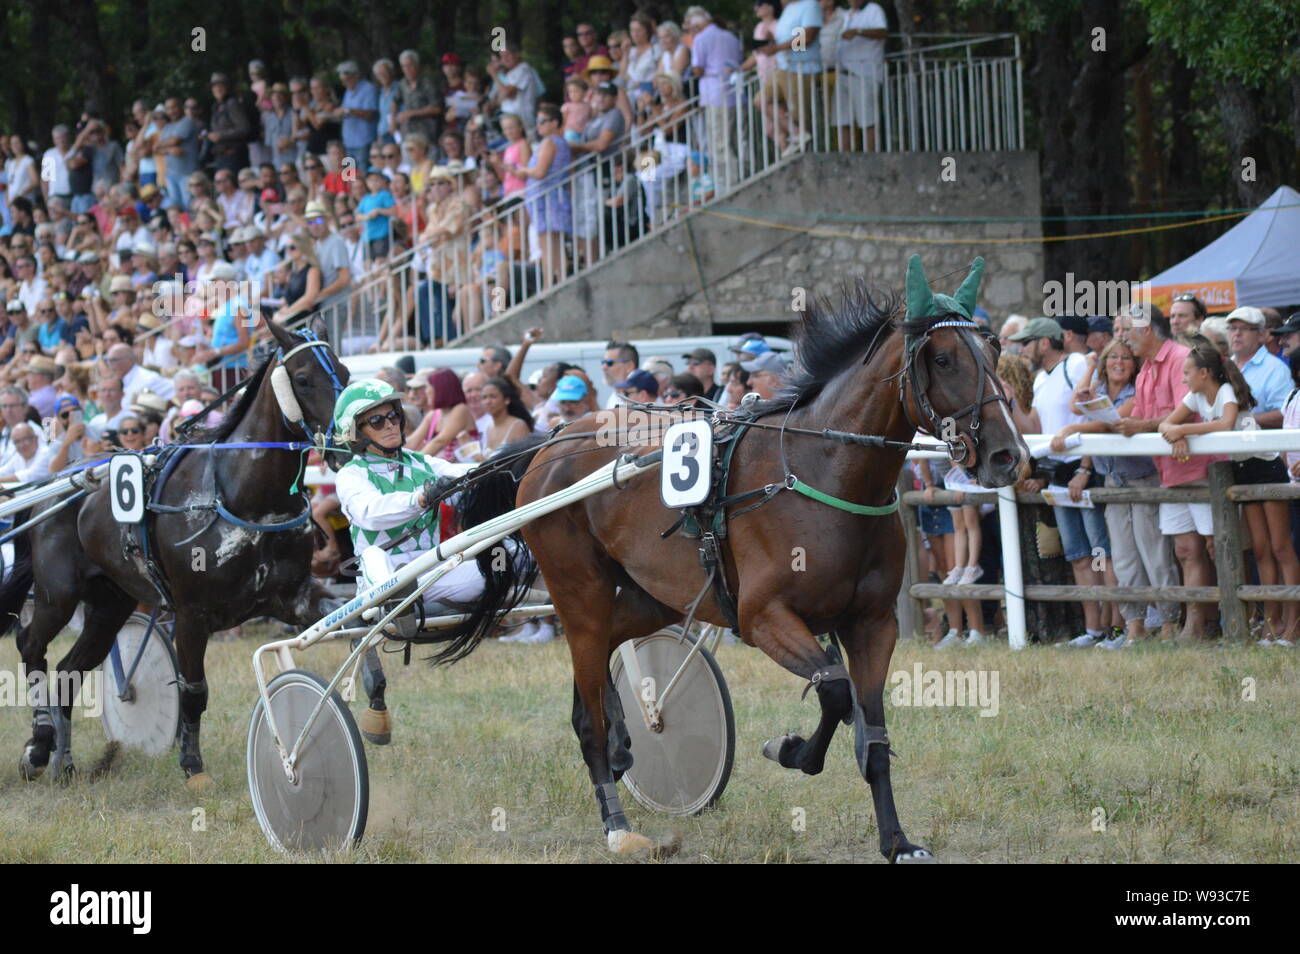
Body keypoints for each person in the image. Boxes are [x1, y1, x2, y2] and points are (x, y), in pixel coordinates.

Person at [1160, 337, 1299, 645]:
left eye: (1187, 373)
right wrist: (1176, 435)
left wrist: (1182, 430)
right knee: (1261, 550)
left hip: (1266, 469)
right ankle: (1271, 620)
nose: (1183, 379)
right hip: (1242, 470)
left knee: (1280, 548)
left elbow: (1226, 423)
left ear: (1204, 373)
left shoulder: (1225, 392)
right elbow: (1166, 424)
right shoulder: (1196, 398)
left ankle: (1293, 621)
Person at [1049, 338, 1178, 647]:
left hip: (1142, 478)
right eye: (1112, 358)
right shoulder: (1100, 392)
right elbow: (1075, 403)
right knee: (1123, 558)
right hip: (1114, 481)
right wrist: (1091, 365)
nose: (1119, 362)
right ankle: (1134, 625)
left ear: (1134, 365)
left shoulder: (1137, 392)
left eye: (1125, 358)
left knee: (1154, 554)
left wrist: (1070, 430)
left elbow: (1113, 422)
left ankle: (1169, 622)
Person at [332, 379, 488, 610]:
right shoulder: (351, 474)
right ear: (356, 433)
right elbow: (370, 513)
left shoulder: (422, 462)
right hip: (382, 575)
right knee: (372, 554)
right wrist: (420, 498)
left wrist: (511, 463)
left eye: (393, 416)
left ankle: (405, 605)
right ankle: (394, 604)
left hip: (432, 571)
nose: (390, 425)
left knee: (500, 566)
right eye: (377, 421)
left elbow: (464, 474)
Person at [1012, 317, 1117, 645]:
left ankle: (1115, 627)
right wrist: (1008, 398)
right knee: (1078, 555)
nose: (1022, 349)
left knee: (1100, 552)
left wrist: (1085, 468)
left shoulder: (1074, 364)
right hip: (1057, 472)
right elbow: (1034, 428)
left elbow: (1089, 412)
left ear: (1044, 343)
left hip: (1081, 468)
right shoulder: (1042, 379)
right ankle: (1093, 629)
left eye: (1026, 342)